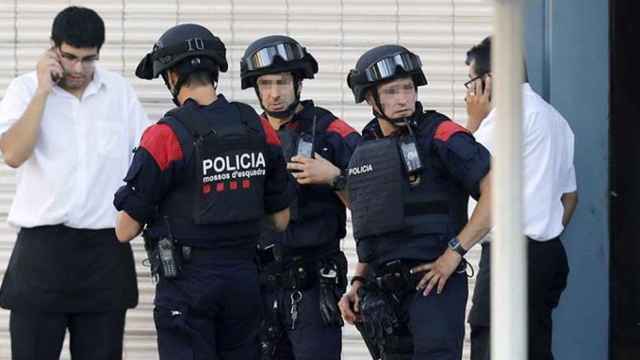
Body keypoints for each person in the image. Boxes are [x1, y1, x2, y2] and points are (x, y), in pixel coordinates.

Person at [113, 23, 291, 360]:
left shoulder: (165, 135)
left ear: (172, 75)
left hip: (189, 287)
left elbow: (125, 230)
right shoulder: (257, 125)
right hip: (245, 281)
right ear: (213, 70)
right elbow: (280, 220)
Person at [0, 6, 148, 360]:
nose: (79, 69)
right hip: (42, 252)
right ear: (53, 49)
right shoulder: (24, 89)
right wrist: (41, 92)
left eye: (88, 59)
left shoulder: (118, 92)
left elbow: (145, 161)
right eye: (69, 57)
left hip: (104, 253)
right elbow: (13, 155)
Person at [337, 44, 492, 360]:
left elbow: (498, 190)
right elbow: (374, 222)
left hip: (434, 286)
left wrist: (454, 253)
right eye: (392, 91)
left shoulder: (441, 133)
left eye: (408, 88)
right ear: (370, 98)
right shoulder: (366, 147)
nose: (403, 98)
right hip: (384, 291)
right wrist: (357, 281)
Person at [239, 35, 361, 360]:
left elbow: (372, 205)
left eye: (282, 82)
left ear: (299, 82)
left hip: (313, 284)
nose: (274, 93)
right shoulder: (244, 134)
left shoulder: (333, 131)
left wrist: (335, 178)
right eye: (265, 83)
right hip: (258, 287)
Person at [464, 36, 578, 360]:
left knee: (491, 345)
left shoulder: (502, 120)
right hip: (547, 257)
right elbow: (570, 197)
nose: (470, 93)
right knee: (536, 348)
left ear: (492, 80)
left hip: (510, 260)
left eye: (473, 82)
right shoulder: (556, 121)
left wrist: (473, 123)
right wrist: (544, 229)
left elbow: (458, 172)